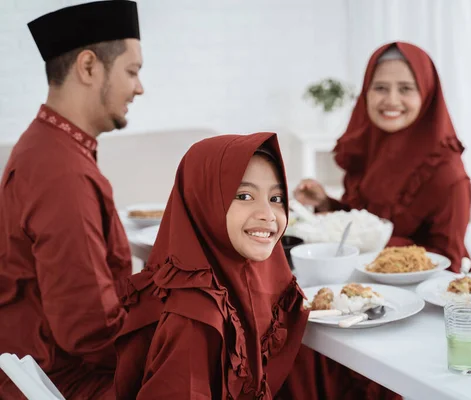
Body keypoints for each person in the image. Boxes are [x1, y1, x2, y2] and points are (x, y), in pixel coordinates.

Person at [0, 1, 143, 398]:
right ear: (88, 67)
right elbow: (89, 331)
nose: (139, 87)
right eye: (132, 71)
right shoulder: (59, 169)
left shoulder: (51, 146)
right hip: (61, 382)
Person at [113, 132, 309, 399]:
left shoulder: (257, 279)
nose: (267, 214)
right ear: (203, 201)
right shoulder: (195, 319)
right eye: (244, 196)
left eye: (276, 199)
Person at [294, 42, 471, 273]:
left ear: (427, 94)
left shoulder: (445, 172)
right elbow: (364, 220)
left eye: (406, 88)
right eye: (380, 88)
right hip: (365, 280)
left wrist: (371, 245)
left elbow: (448, 262)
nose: (391, 100)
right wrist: (325, 203)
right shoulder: (366, 147)